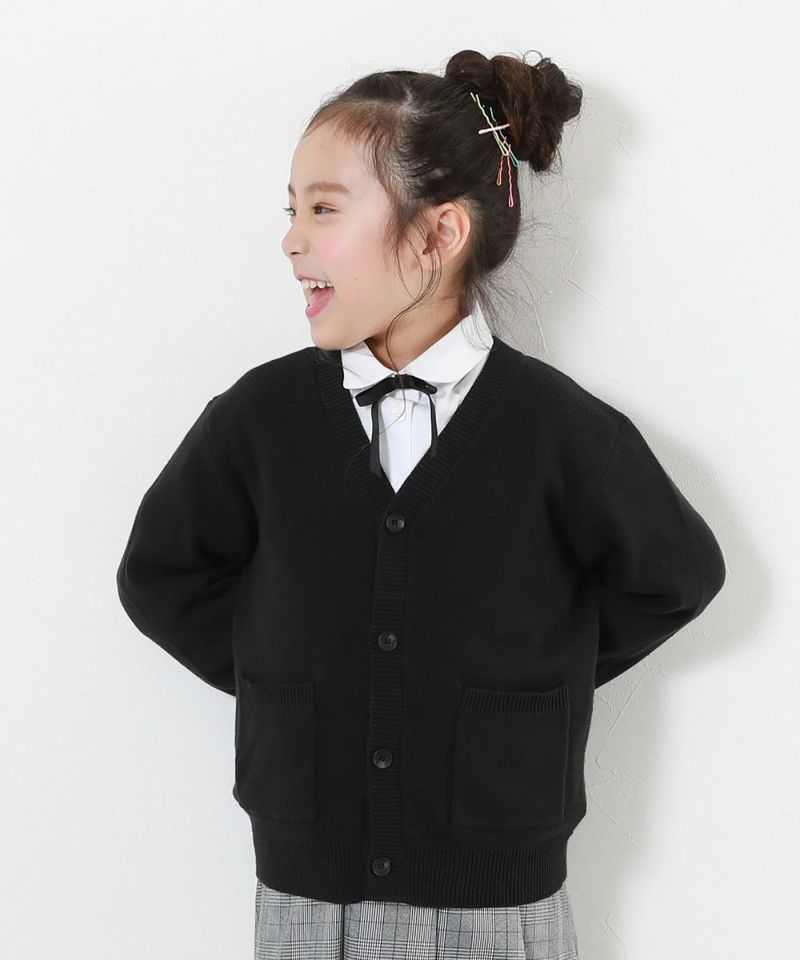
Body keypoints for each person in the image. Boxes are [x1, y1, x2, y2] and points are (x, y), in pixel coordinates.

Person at [116, 49, 726, 960]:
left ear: (439, 233)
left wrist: (530, 682)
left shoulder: (559, 430)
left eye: (324, 209)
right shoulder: (259, 419)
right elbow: (160, 574)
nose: (292, 239)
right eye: (292, 211)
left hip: (496, 890)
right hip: (310, 889)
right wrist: (293, 682)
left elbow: (678, 575)